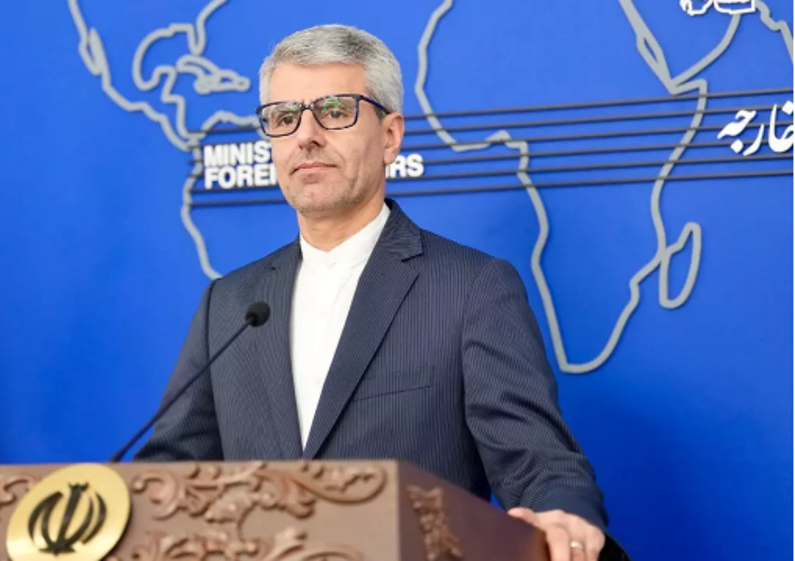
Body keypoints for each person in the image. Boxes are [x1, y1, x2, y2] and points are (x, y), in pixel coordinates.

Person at [136, 24, 626, 561]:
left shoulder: (470, 289)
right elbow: (169, 480)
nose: (306, 136)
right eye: (284, 118)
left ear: (391, 135)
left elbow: (539, 464)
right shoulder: (229, 303)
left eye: (335, 111)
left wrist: (566, 521)